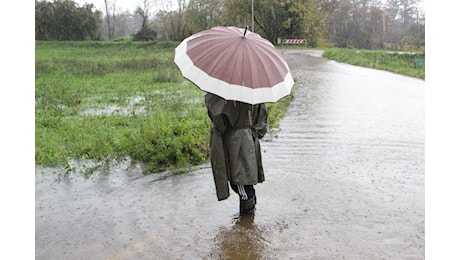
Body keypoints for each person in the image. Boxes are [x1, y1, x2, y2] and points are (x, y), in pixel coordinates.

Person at [205, 92, 268, 214]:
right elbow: (262, 124)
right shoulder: (255, 91)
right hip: (250, 139)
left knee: (239, 182)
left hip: (235, 142)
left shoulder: (222, 93)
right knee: (245, 181)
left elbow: (220, 124)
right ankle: (248, 221)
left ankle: (246, 220)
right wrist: (253, 133)